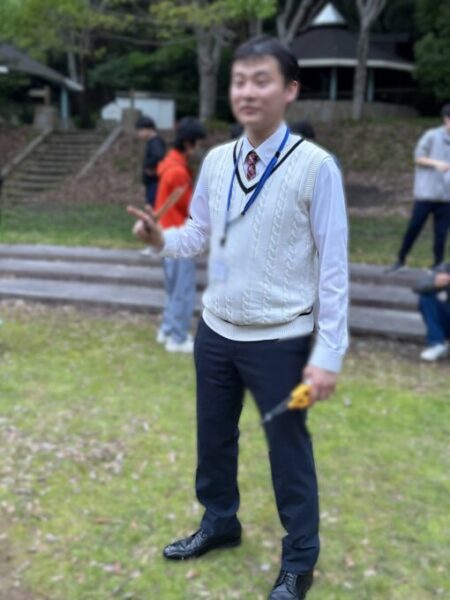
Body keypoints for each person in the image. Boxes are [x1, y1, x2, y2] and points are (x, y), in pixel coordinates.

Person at [128, 35, 348, 600]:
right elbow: (198, 234)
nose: (248, 92)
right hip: (216, 331)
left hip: (282, 340)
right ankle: (219, 521)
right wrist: (160, 239)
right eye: (240, 81)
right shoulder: (217, 161)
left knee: (288, 452)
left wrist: (328, 354)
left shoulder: (316, 168)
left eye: (261, 80)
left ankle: (299, 561)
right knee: (214, 440)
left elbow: (333, 268)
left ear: (290, 90)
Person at [154, 117, 207, 354]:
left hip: (165, 232)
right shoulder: (178, 172)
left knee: (173, 288)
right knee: (183, 289)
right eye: (197, 143)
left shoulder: (169, 165)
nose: (198, 148)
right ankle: (178, 337)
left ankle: (167, 330)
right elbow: (191, 208)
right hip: (178, 234)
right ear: (188, 142)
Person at [386, 104, 450, 273]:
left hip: (446, 197)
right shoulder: (431, 136)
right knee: (414, 228)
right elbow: (418, 158)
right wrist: (437, 163)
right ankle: (400, 260)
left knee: (441, 233)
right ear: (446, 119)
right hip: (426, 195)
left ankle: (438, 264)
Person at [413, 263, 450, 361]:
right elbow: (418, 286)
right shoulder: (444, 268)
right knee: (427, 297)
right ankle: (437, 345)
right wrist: (435, 284)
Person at [135, 115, 166, 208]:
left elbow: (158, 155)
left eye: (140, 130)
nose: (139, 133)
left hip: (154, 181)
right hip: (152, 181)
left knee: (152, 206)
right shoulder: (152, 142)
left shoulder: (155, 142)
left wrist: (149, 167)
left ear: (149, 129)